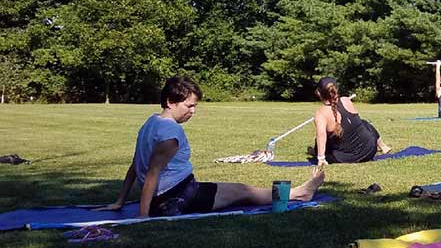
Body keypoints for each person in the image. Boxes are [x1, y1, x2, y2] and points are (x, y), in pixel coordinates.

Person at [97, 76, 324, 217]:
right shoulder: (171, 133)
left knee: (239, 190)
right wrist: (143, 215)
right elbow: (151, 172)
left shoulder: (150, 122)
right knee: (243, 191)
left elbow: (135, 166)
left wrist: (120, 201)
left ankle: (298, 192)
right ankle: (300, 194)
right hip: (178, 197)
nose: (192, 111)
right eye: (189, 106)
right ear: (170, 102)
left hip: (176, 193)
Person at [313, 77, 392, 165]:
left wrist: (321, 158)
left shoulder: (320, 114)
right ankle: (383, 146)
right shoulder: (346, 100)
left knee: (318, 143)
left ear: (319, 93)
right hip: (370, 150)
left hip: (349, 158)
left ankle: (383, 146)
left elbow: (321, 135)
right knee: (364, 123)